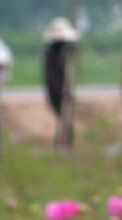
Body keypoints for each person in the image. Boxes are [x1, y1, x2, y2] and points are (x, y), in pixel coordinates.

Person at [42, 17, 78, 150]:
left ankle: (64, 144)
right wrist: (62, 92)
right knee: (64, 118)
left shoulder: (63, 51)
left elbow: (67, 72)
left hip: (64, 91)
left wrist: (67, 91)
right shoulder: (52, 53)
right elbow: (52, 77)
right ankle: (62, 145)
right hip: (56, 92)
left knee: (66, 119)